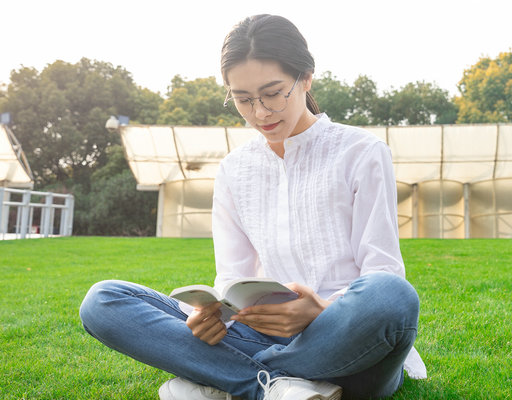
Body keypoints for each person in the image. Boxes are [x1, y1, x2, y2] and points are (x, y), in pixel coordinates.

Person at [79, 14, 423, 400]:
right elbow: (231, 279)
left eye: (273, 93)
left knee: (391, 295)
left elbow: (382, 269)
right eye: (243, 100)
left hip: (347, 337)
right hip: (256, 331)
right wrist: (211, 316)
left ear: (305, 78)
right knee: (103, 301)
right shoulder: (234, 170)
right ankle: (274, 387)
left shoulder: (362, 153)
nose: (260, 113)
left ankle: (225, 379)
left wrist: (321, 310)